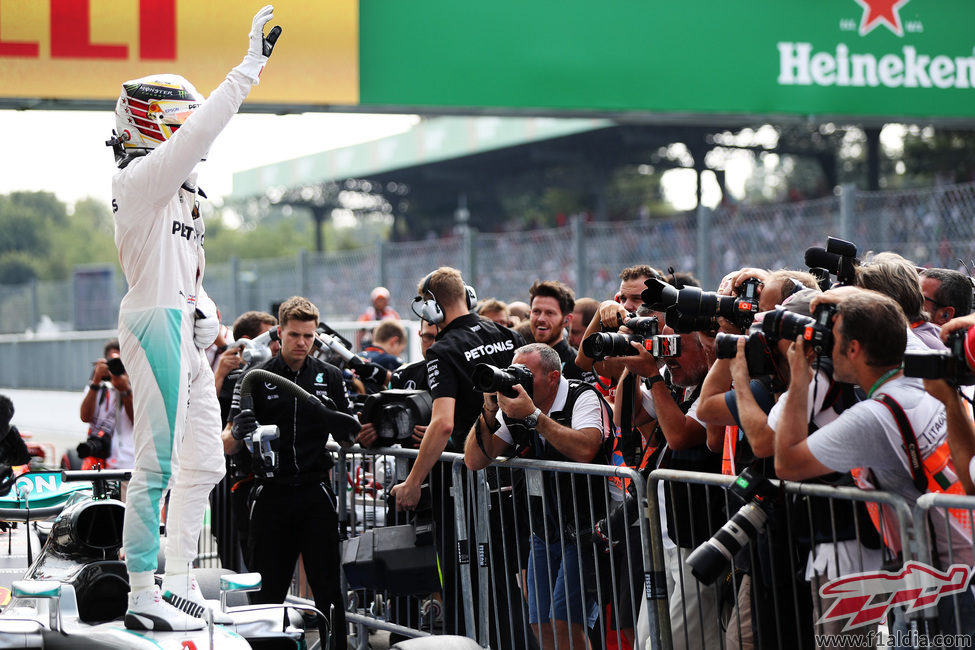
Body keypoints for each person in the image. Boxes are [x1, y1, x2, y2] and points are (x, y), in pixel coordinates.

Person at [110, 5, 281, 631]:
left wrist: (206, 310)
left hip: (177, 325)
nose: (184, 125)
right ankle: (139, 590)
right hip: (152, 322)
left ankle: (178, 579)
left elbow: (189, 272)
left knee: (206, 460)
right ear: (155, 121)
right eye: (175, 117)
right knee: (154, 465)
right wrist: (248, 68)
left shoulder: (178, 193)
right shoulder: (139, 179)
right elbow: (203, 131)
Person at [775, 290, 974, 640]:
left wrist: (800, 375)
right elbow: (886, 311)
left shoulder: (872, 419)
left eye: (832, 340)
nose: (825, 348)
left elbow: (786, 462)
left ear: (853, 349)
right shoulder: (917, 361)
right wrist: (833, 298)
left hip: (942, 584)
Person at [388, 266, 523, 636]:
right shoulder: (508, 334)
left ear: (431, 309)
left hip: (469, 479)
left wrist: (414, 482)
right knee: (511, 583)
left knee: (467, 584)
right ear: (469, 296)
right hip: (516, 473)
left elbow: (443, 422)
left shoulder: (443, 350)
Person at [224, 297, 355, 650]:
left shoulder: (329, 376)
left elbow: (351, 435)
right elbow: (226, 442)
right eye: (295, 335)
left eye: (309, 336)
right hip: (271, 493)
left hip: (315, 491)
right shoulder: (253, 377)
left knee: (328, 587)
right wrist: (238, 431)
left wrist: (354, 427)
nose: (302, 343)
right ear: (278, 333)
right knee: (267, 590)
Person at [464, 343, 613, 650]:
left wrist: (534, 416)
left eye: (525, 374)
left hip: (586, 530)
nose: (516, 381)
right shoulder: (516, 408)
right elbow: (475, 460)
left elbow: (586, 448)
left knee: (566, 623)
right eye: (512, 372)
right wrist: (490, 410)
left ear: (553, 377)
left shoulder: (581, 396)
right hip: (544, 532)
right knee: (540, 625)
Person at [80, 339, 134, 470]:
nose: (117, 366)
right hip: (98, 463)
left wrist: (125, 390)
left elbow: (136, 420)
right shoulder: (98, 387)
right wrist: (96, 380)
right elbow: (85, 417)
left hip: (127, 465)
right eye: (112, 362)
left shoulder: (135, 386)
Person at [528, 280, 595, 383]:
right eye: (536, 311)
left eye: (550, 313)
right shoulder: (522, 359)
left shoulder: (579, 365)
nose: (541, 319)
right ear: (529, 314)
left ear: (567, 320)